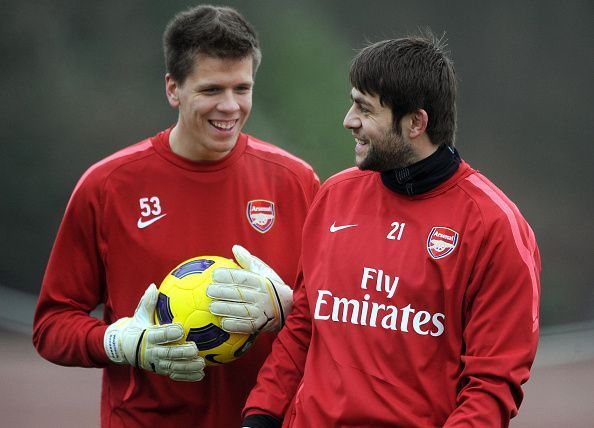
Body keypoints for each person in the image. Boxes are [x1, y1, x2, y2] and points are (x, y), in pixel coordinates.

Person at [32, 5, 319, 427]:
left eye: (242, 88)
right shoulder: (108, 185)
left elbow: (335, 315)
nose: (230, 106)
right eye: (211, 90)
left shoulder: (298, 182)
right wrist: (118, 343)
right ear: (173, 88)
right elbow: (52, 325)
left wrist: (287, 307)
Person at [241, 33, 541, 427]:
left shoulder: (495, 227)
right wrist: (260, 415)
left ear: (415, 122)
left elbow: (491, 385)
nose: (349, 120)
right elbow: (304, 328)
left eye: (364, 109)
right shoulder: (335, 194)